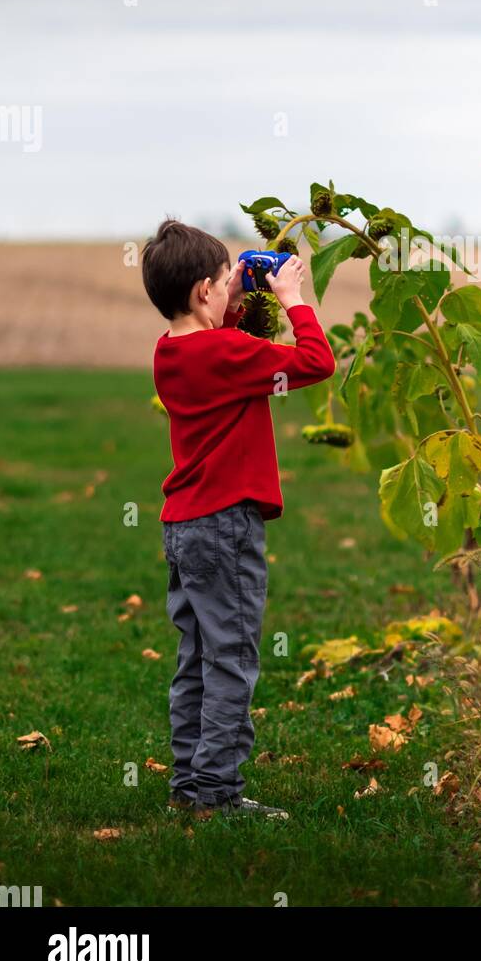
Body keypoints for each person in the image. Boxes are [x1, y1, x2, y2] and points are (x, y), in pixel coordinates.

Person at [141, 219, 335, 820]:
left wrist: (240, 289)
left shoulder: (170, 353)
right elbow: (315, 361)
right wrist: (293, 301)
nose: (231, 292)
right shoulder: (227, 352)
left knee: (197, 658)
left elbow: (220, 347)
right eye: (224, 283)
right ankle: (217, 794)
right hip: (226, 526)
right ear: (204, 291)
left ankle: (188, 785)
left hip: (184, 527)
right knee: (234, 660)